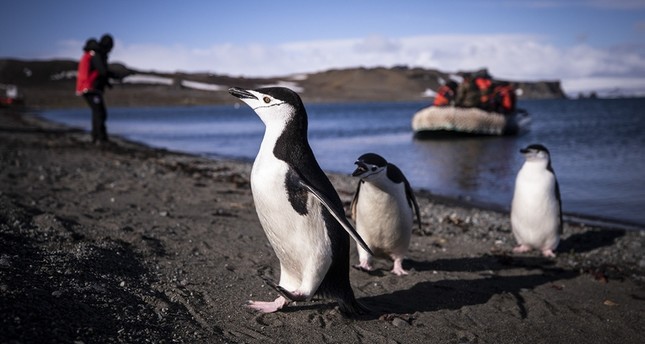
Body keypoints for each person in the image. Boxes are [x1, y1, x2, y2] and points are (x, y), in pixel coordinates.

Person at [75, 34, 114, 144]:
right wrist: (114, 75)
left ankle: (96, 137)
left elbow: (97, 72)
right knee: (100, 113)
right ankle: (100, 139)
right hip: (91, 88)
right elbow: (102, 71)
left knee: (97, 112)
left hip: (88, 88)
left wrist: (106, 83)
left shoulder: (91, 54)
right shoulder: (96, 54)